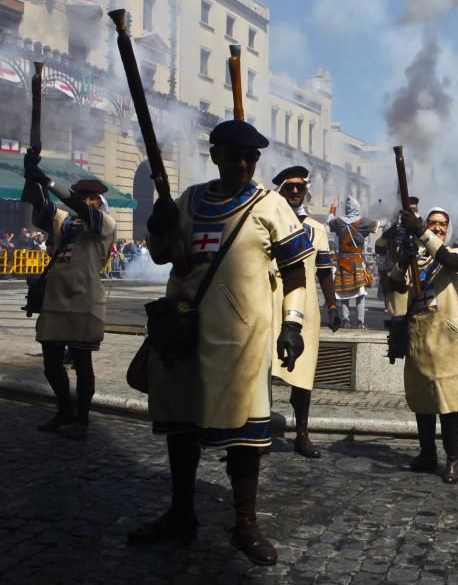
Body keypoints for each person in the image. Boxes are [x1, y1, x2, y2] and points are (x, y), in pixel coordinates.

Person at [128, 120, 313, 566]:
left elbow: (294, 271)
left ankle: (245, 523)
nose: (244, 165)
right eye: (235, 156)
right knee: (181, 426)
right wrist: (158, 224)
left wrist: (292, 324)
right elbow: (163, 255)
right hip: (183, 331)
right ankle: (181, 512)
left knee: (245, 436)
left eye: (251, 158)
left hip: (241, 340)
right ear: (216, 156)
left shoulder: (270, 205)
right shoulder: (190, 200)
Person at [391, 206, 458, 484]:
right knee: (423, 402)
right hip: (420, 335)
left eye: (442, 225)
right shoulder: (419, 257)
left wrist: (422, 234)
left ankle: (453, 459)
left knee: (449, 403)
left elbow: (453, 262)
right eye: (432, 223)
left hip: (446, 338)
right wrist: (404, 259)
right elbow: (394, 285)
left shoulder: (453, 252)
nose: (438, 228)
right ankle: (427, 454)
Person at [22, 151, 116, 440]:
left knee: (82, 364)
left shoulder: (104, 223)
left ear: (100, 203)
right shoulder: (66, 222)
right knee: (51, 361)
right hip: (55, 298)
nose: (86, 200)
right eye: (83, 196)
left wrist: (48, 182)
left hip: (84, 300)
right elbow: (38, 203)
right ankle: (64, 409)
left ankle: (82, 419)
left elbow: (72, 204)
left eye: (92, 197)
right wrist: (31, 173)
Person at [271, 166, 342, 458]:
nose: (296, 192)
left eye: (300, 188)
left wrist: (334, 305)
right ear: (281, 191)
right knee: (261, 369)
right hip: (270, 301)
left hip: (307, 306)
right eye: (290, 188)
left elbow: (324, 271)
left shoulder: (317, 228)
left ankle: (302, 434)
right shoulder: (267, 222)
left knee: (304, 373)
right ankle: (255, 430)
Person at [328, 196, 378, 329]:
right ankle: (360, 322)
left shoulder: (338, 222)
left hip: (343, 262)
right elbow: (376, 226)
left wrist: (333, 207)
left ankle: (346, 320)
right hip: (357, 262)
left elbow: (329, 222)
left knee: (344, 293)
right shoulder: (364, 221)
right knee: (360, 294)